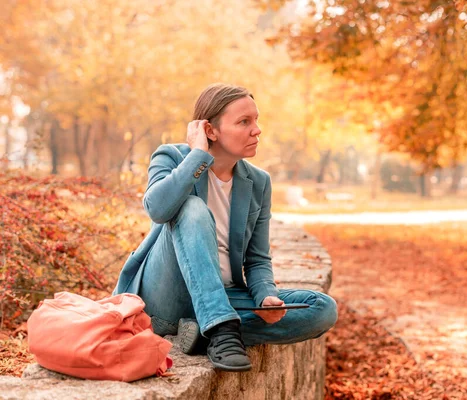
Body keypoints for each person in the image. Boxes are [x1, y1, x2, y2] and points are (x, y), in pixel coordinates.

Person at [113, 83, 337, 372]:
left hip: (224, 295)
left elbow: (257, 259)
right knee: (192, 208)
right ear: (210, 131)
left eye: (256, 120)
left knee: (321, 309)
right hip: (166, 295)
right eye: (244, 122)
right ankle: (218, 326)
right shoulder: (172, 157)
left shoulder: (259, 182)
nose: (257, 130)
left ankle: (203, 331)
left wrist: (266, 295)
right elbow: (158, 209)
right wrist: (197, 155)